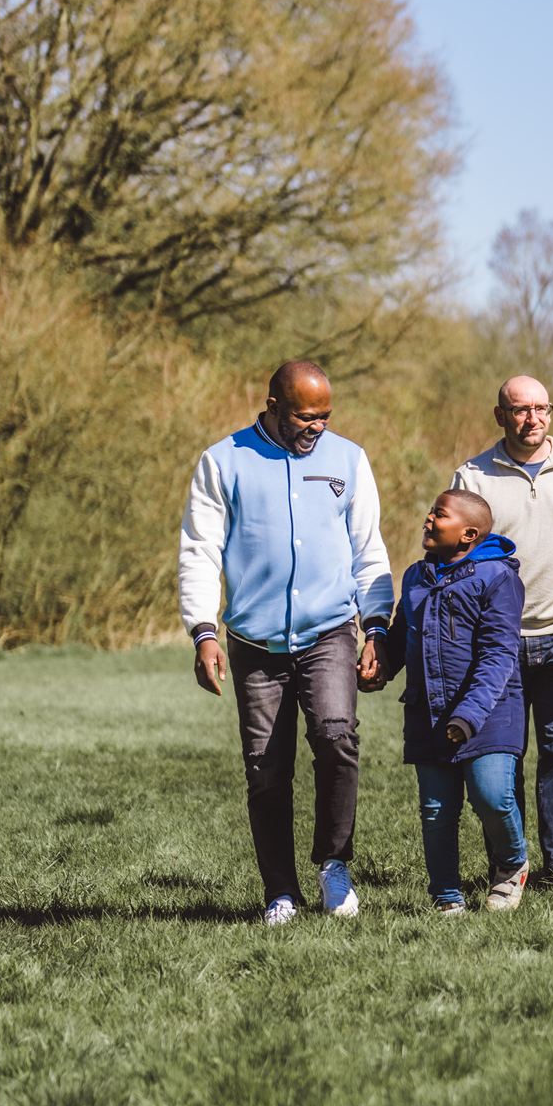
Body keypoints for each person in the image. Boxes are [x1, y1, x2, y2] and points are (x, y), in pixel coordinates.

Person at [177, 360, 393, 925]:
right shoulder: (224, 461)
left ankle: (333, 864)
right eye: (304, 415)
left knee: (337, 736)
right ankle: (280, 892)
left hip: (329, 631)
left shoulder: (348, 459)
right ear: (272, 405)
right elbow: (199, 550)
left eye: (324, 415)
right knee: (266, 768)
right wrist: (202, 630)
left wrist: (377, 626)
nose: (316, 426)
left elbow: (369, 548)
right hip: (255, 641)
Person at [450, 374, 553, 884]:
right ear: (499, 415)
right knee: (500, 757)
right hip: (495, 642)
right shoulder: (473, 475)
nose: (532, 419)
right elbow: (454, 561)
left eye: (541, 408)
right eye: (520, 409)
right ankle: (511, 859)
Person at [364, 490, 530, 913]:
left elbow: (499, 654)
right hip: (428, 710)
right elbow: (404, 634)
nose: (428, 519)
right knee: (437, 810)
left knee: (492, 796)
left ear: (468, 534)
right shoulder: (417, 577)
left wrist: (470, 715)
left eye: (439, 515)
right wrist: (381, 667)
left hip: (489, 710)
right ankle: (446, 896)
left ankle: (512, 867)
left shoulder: (497, 577)